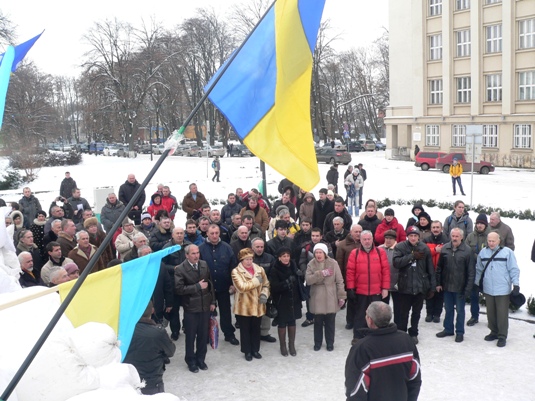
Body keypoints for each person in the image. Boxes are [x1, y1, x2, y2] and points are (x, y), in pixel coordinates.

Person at [344, 302, 421, 401]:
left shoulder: (362, 348)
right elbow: (415, 378)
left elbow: (355, 389)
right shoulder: (406, 340)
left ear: (370, 320)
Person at [175, 244, 216, 373]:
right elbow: (179, 289)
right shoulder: (180, 269)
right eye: (193, 253)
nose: (196, 255)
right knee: (191, 336)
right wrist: (197, 287)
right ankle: (190, 360)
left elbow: (210, 284)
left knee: (203, 336)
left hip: (205, 306)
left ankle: (201, 359)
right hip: (191, 308)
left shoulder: (204, 264)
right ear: (187, 255)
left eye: (197, 253)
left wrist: (213, 301)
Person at [475, 232, 520, 347]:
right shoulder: (483, 252)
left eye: (493, 241)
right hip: (488, 288)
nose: (491, 243)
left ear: (499, 241)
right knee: (491, 312)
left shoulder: (507, 253)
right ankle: (493, 332)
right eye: (489, 241)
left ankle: (502, 335)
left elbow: (513, 269)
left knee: (502, 313)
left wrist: (516, 284)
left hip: (503, 288)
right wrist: (476, 283)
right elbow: (479, 269)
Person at [393, 226, 435, 344]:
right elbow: (396, 263)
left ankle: (414, 333)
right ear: (407, 236)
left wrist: (432, 286)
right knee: (403, 313)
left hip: (420, 286)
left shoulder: (424, 248)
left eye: (415, 236)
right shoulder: (400, 247)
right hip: (405, 286)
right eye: (411, 235)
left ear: (418, 237)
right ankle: (402, 333)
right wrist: (411, 256)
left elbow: (430, 268)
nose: (413, 238)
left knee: (416, 312)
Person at [346, 231, 390, 343]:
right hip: (361, 291)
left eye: (369, 239)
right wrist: (350, 288)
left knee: (377, 315)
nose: (367, 241)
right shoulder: (354, 253)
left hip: (376, 291)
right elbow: (350, 272)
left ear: (372, 239)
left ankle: (377, 337)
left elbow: (385, 271)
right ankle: (358, 336)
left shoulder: (380, 252)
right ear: (360, 240)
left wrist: (385, 288)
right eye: (364, 239)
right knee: (360, 315)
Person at [199, 224, 240, 345]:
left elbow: (233, 267)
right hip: (207, 287)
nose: (214, 236)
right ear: (207, 234)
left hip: (224, 286)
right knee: (206, 312)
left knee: (225, 311)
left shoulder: (227, 248)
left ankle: (229, 334)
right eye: (212, 233)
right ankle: (206, 335)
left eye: (216, 233)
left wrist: (233, 284)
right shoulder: (200, 249)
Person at [123, 301, 176, 393]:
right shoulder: (158, 332)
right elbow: (171, 351)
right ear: (152, 310)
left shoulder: (124, 331)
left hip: (128, 379)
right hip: (152, 380)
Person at [435, 228, 475, 343]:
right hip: (447, 286)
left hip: (460, 288)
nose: (454, 238)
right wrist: (438, 283)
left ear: (461, 237)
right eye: (453, 236)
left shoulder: (467, 251)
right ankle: (448, 329)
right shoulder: (445, 248)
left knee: (460, 311)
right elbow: (439, 268)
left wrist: (467, 289)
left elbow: (471, 272)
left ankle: (459, 332)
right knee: (448, 309)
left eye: (457, 236)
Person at [231, 248, 270, 361]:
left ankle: (255, 350)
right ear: (241, 260)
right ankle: (247, 351)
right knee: (245, 329)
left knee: (256, 328)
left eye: (251, 259)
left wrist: (264, 294)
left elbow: (266, 284)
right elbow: (241, 287)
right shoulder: (236, 271)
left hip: (258, 305)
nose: (249, 261)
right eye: (246, 259)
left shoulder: (260, 269)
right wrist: (256, 281)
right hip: (244, 306)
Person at [305, 243, 345, 351]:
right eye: (316, 252)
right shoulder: (311, 264)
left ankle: (330, 343)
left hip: (331, 295)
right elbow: (308, 280)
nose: (318, 255)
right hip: (317, 296)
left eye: (320, 252)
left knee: (330, 323)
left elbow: (340, 281)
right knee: (317, 322)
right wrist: (321, 273)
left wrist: (341, 296)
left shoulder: (333, 263)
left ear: (325, 253)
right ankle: (317, 343)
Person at [269, 247, 303, 357]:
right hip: (281, 300)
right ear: (279, 258)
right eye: (283, 256)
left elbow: (299, 282)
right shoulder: (275, 269)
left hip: (294, 299)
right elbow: (274, 287)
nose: (286, 258)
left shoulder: (293, 266)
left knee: (292, 322)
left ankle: (291, 345)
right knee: (282, 323)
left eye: (287, 256)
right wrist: (287, 282)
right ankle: (283, 346)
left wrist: (300, 276)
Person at [465, 213, 491, 326]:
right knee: (474, 295)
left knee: (490, 295)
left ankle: (492, 318)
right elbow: (466, 251)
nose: (479, 225)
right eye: (478, 223)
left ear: (485, 225)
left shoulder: (491, 236)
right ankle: (474, 316)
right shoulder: (470, 236)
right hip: (474, 270)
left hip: (488, 271)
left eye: (482, 223)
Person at [251, 237, 277, 343]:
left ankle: (264, 333)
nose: (260, 249)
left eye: (262, 247)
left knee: (266, 313)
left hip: (266, 290)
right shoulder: (247, 259)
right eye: (257, 247)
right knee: (253, 315)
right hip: (251, 291)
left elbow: (273, 274)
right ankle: (254, 334)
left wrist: (266, 285)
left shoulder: (270, 258)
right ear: (252, 247)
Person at [422, 221, 448, 323]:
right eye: (434, 227)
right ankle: (429, 313)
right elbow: (423, 253)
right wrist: (434, 250)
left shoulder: (446, 241)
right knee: (430, 292)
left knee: (439, 294)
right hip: (429, 270)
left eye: (437, 227)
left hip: (442, 271)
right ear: (431, 229)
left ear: (441, 229)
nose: (435, 229)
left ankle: (437, 314)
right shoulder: (426, 240)